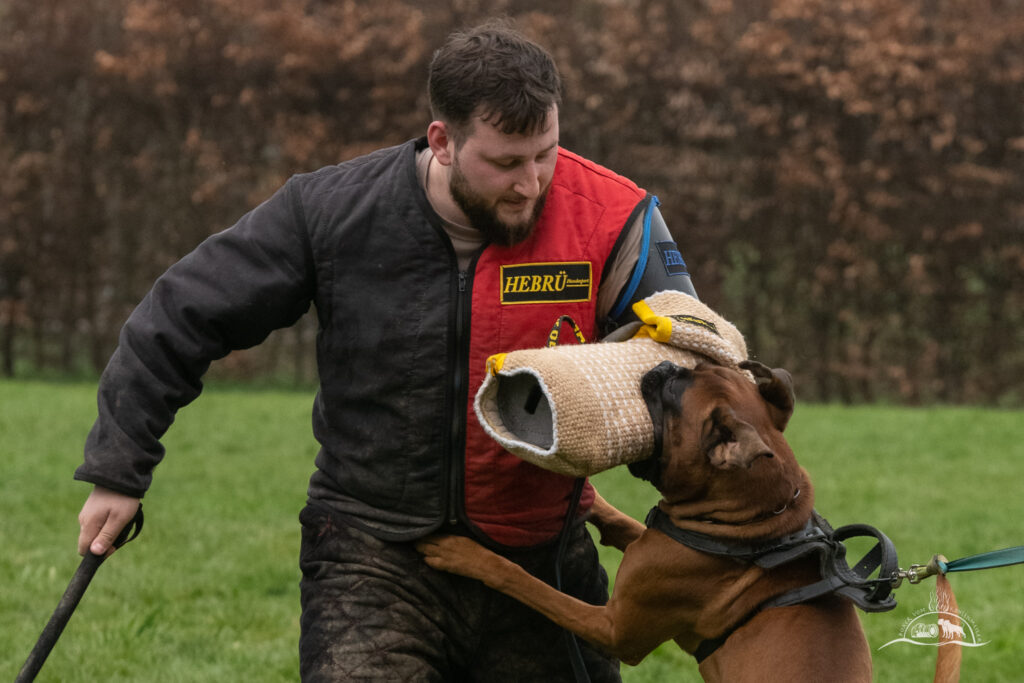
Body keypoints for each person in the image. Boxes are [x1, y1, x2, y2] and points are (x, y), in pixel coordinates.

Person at [74, 20, 698, 682]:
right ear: (444, 142)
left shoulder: (616, 218)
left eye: (546, 152)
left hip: (541, 560)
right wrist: (119, 469)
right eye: (507, 163)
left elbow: (691, 371)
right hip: (373, 554)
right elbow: (180, 314)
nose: (532, 183)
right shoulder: (330, 212)